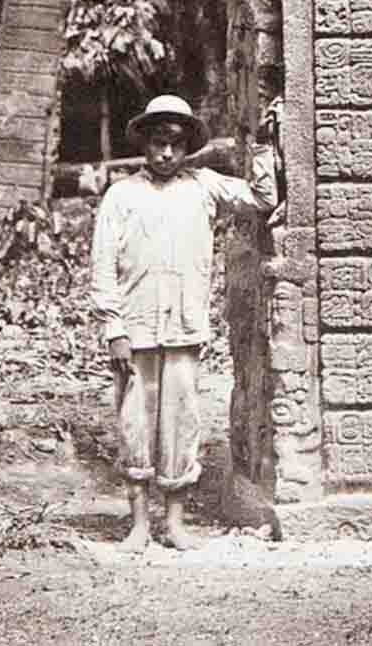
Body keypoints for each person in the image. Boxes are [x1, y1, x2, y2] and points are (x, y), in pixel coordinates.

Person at [89, 92, 280, 552]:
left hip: (184, 326)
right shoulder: (122, 194)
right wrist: (113, 328)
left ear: (186, 146)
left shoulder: (204, 186)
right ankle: (138, 524)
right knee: (136, 422)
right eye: (158, 142)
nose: (166, 153)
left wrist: (258, 146)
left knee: (180, 423)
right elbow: (102, 265)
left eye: (175, 143)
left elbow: (262, 197)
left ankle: (174, 523)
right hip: (134, 330)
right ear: (145, 143)